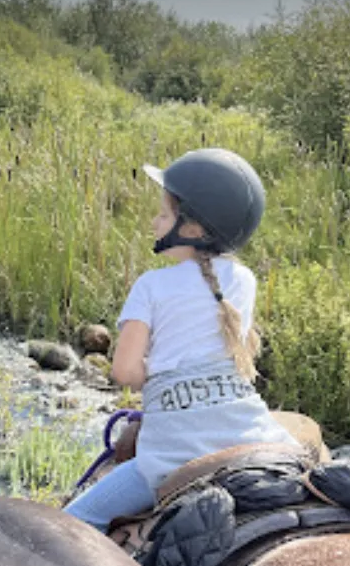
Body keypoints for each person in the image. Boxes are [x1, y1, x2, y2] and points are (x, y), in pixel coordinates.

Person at [64, 147, 297, 533]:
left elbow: (124, 371)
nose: (154, 222)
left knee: (73, 523)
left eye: (163, 214)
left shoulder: (151, 286)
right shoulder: (244, 280)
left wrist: (159, 379)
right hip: (252, 439)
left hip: (174, 455)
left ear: (192, 229)